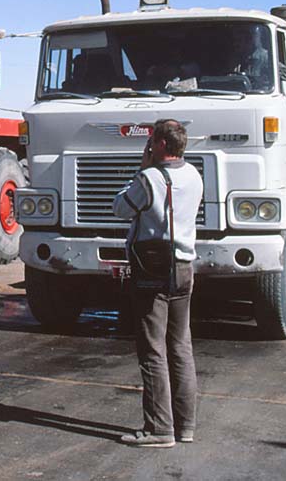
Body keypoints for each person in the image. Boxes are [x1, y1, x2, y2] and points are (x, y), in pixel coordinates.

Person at [112, 119, 203, 448]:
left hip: (153, 270)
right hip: (184, 267)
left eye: (152, 140)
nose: (149, 144)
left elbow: (120, 208)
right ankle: (186, 426)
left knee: (152, 350)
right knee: (181, 346)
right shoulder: (193, 175)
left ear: (161, 144)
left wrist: (143, 167)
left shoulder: (148, 178)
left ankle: (159, 429)